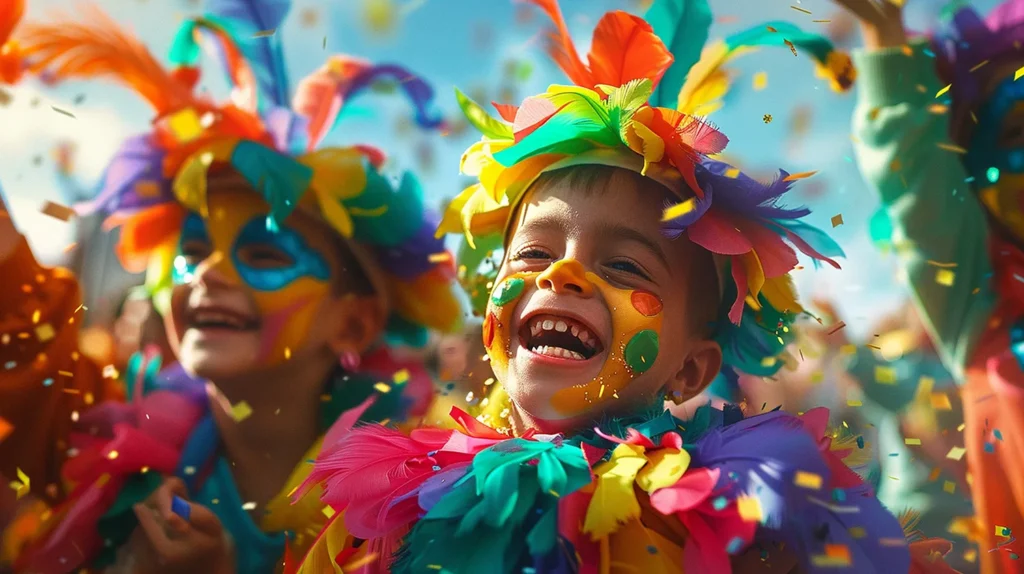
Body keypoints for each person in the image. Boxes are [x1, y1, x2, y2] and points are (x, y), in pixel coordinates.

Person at [290, 1, 950, 572]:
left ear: (691, 369)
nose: (561, 273)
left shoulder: (735, 512)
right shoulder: (393, 502)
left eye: (623, 267)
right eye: (533, 253)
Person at [4, 1, 463, 572]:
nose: (207, 272)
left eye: (264, 253)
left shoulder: (421, 503)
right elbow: (21, 337)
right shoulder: (118, 434)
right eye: (192, 252)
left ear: (354, 322)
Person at [833, 0, 1024, 569]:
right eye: (1018, 128)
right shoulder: (982, 324)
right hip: (933, 528)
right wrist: (886, 35)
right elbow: (922, 189)